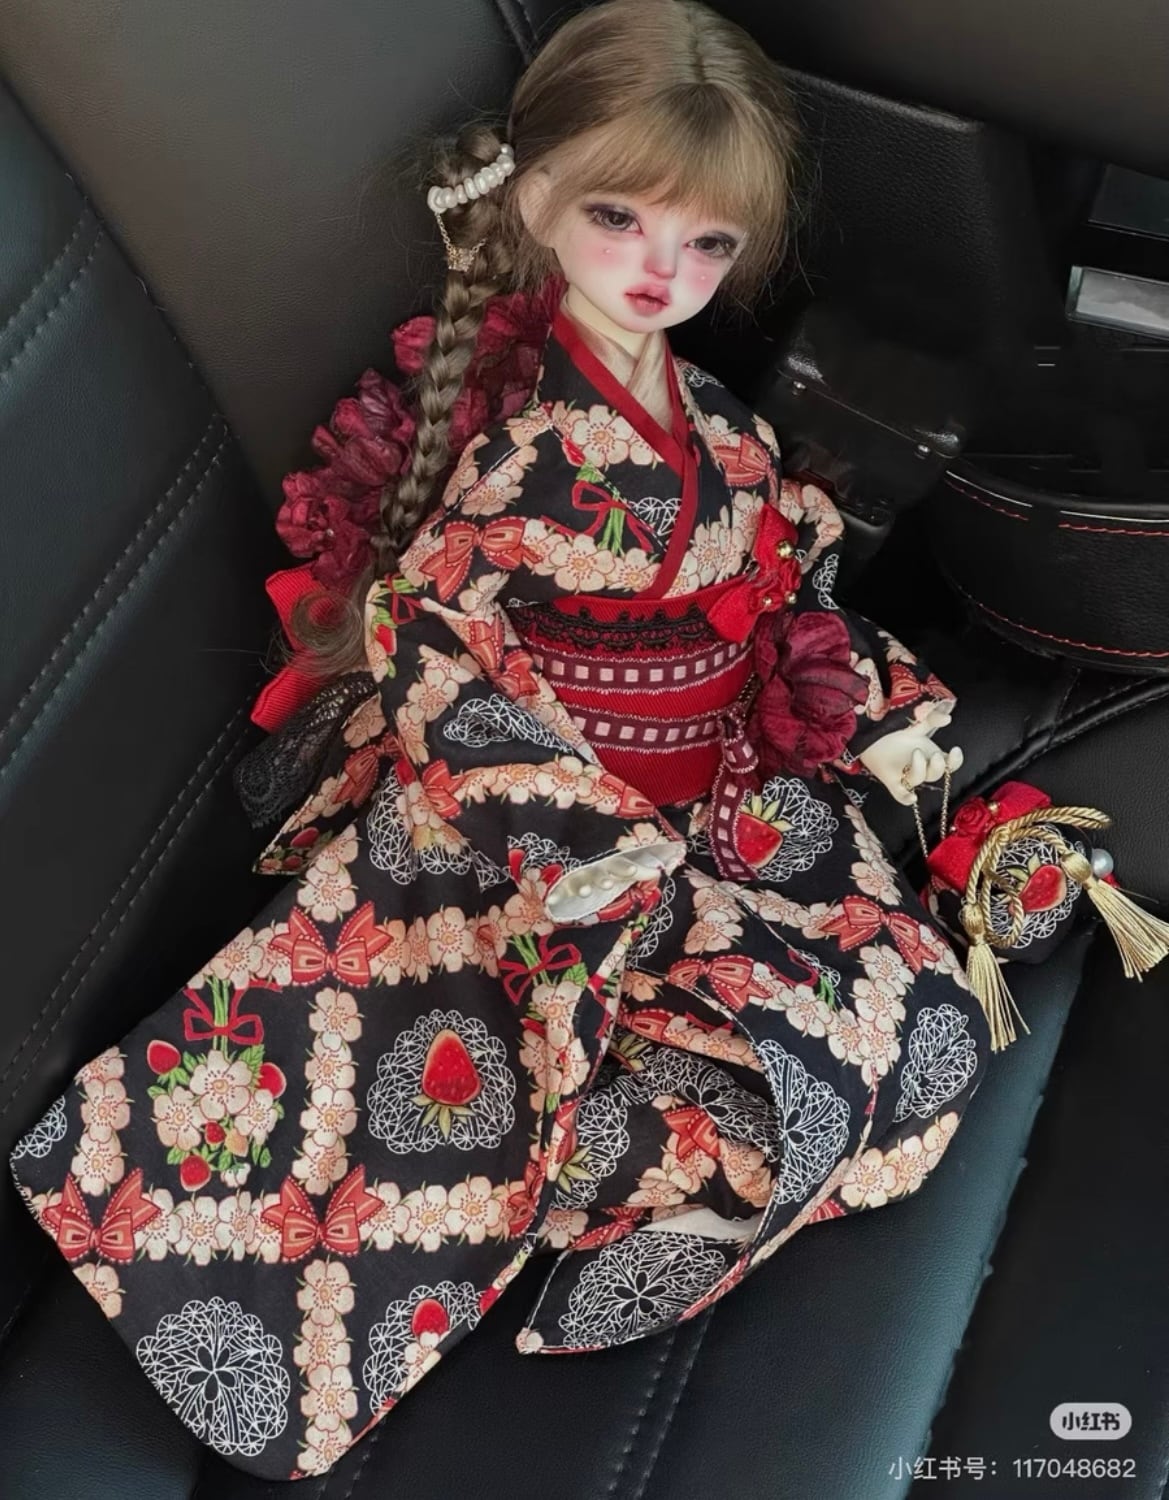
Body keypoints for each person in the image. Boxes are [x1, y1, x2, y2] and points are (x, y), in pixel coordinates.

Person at [8, 0, 990, 1480]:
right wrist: (578, 840)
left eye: (707, 244)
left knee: (921, 1021)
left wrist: (886, 712)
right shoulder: (535, 449)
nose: (663, 269)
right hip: (549, 829)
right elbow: (426, 633)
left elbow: (776, 579)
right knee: (640, 1080)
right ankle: (619, 1173)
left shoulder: (708, 420)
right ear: (531, 202)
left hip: (717, 792)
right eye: (619, 219)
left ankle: (671, 1152)